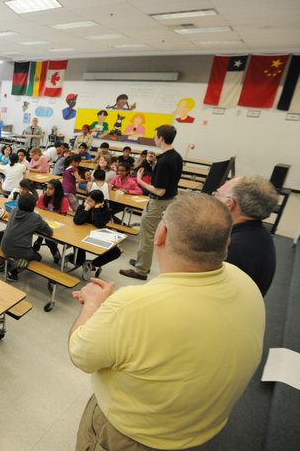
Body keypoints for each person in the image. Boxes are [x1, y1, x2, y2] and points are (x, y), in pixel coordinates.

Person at [69, 193, 264, 451]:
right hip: (201, 433)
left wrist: (94, 305)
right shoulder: (245, 282)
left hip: (131, 437)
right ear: (226, 242)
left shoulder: (131, 305)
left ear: (160, 234)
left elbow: (80, 354)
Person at [120, 125, 183, 280]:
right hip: (169, 200)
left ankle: (141, 270)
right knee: (148, 235)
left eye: (155, 136)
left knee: (147, 236)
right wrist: (154, 164)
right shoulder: (175, 156)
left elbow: (159, 190)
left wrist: (140, 180)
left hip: (158, 202)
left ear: (161, 138)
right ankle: (143, 262)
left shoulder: (164, 161)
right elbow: (169, 179)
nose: (154, 139)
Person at [214, 175, 278, 296]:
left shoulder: (231, 249)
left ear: (229, 204)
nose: (213, 199)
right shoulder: (258, 233)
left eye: (217, 194)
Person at [67, 190, 122, 279]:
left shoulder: (106, 210)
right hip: (80, 236)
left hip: (97, 237)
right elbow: (77, 221)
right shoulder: (83, 206)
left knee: (116, 252)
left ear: (98, 203)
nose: (87, 202)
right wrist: (86, 209)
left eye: (90, 201)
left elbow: (99, 225)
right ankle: (70, 257)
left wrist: (96, 210)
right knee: (78, 261)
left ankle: (91, 264)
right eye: (86, 199)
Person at [0, 193, 53, 281]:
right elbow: (50, 233)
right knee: (37, 257)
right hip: (21, 251)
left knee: (16, 246)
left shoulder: (13, 211)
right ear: (34, 205)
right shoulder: (36, 218)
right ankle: (14, 272)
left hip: (4, 247)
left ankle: (2, 263)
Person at [34, 179, 69, 263]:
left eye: (50, 189)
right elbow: (40, 212)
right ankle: (39, 241)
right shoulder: (44, 196)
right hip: (44, 222)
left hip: (56, 225)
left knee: (49, 238)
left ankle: (54, 252)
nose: (47, 190)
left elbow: (63, 218)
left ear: (57, 190)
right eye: (47, 188)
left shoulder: (64, 200)